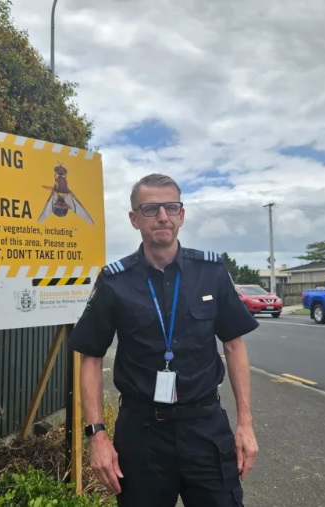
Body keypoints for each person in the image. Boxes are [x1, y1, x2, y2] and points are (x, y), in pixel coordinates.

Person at [68, 173, 260, 507]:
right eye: (150, 208)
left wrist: (245, 424)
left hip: (205, 429)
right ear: (134, 219)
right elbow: (91, 358)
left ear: (181, 215)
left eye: (171, 207)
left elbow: (234, 345)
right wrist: (97, 435)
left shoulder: (211, 272)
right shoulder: (115, 282)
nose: (162, 216)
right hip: (142, 435)